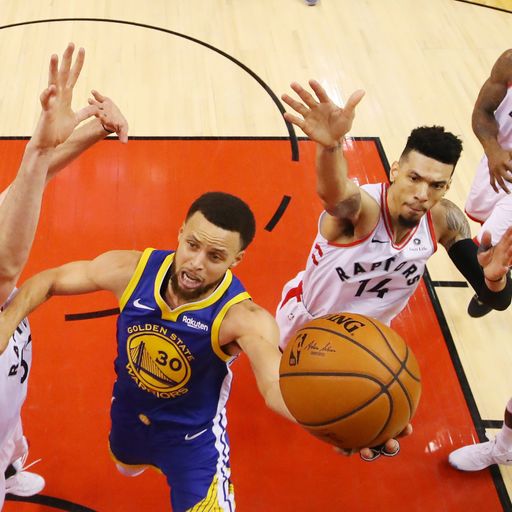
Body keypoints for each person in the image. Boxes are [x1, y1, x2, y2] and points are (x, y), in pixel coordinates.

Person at [0, 191, 294, 511]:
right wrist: (6, 324)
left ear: (236, 260)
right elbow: (51, 280)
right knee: (125, 464)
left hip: (193, 444)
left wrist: (333, 421)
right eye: (192, 245)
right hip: (128, 418)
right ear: (180, 232)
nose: (196, 263)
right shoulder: (133, 271)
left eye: (215, 256)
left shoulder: (242, 317)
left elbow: (275, 385)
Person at [275, 80, 512, 458]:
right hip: (308, 322)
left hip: (368, 337)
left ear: (447, 186)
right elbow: (334, 193)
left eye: (436, 185)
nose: (422, 194)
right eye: (414, 178)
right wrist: (330, 146)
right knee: (296, 395)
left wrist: (495, 278)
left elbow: (493, 300)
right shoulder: (363, 211)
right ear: (395, 169)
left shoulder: (444, 220)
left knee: (360, 419)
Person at [0, 42, 128, 508]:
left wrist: (93, 131)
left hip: (6, 402)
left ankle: (10, 467)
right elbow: (5, 267)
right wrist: (36, 148)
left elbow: (23, 189)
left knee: (10, 429)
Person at [464, 49, 512, 318]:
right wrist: (493, 149)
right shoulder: (509, 62)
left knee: (489, 243)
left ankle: (489, 289)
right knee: (487, 223)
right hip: (499, 163)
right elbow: (483, 110)